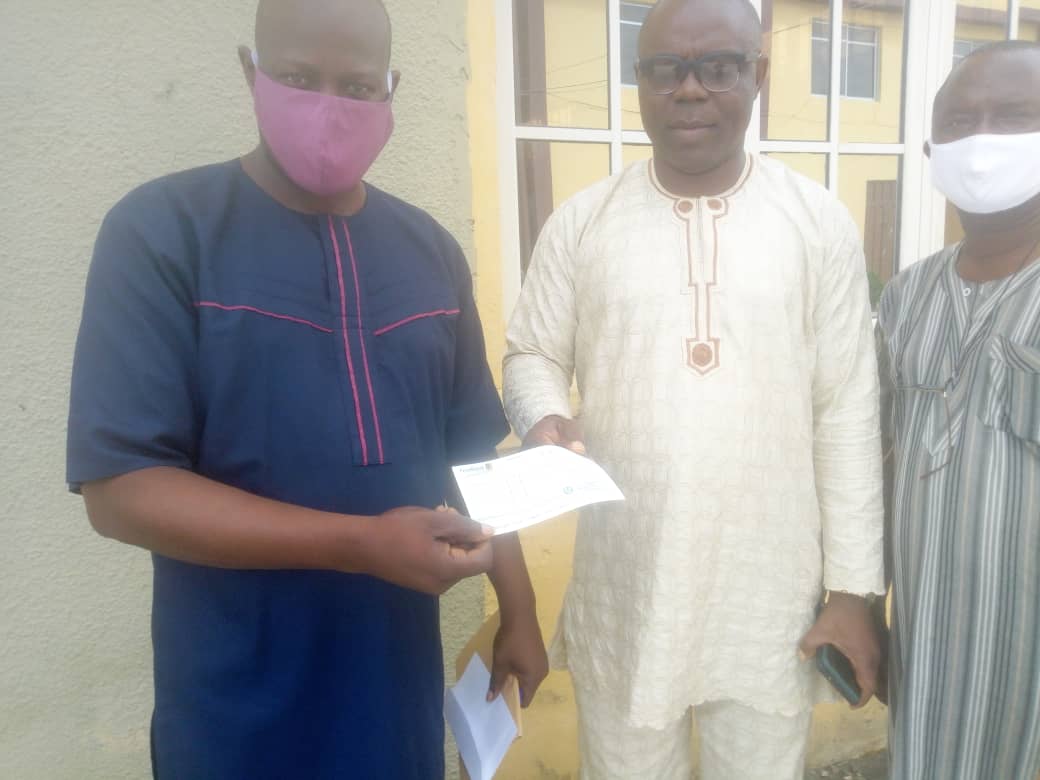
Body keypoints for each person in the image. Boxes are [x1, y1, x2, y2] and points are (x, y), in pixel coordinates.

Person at [66, 1, 547, 777]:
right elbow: (120, 490)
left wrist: (518, 609)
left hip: (392, 688)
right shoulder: (164, 232)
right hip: (232, 698)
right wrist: (360, 544)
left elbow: (473, 454)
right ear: (250, 72)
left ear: (392, 89)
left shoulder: (430, 251)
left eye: (357, 86)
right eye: (297, 77)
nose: (329, 107)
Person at [502, 0, 884, 777]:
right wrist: (543, 416)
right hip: (628, 584)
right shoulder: (584, 222)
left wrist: (851, 591)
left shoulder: (817, 224)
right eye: (665, 69)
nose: (689, 89)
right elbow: (532, 351)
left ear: (758, 75)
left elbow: (846, 409)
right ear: (639, 80)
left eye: (718, 67)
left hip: (769, 596)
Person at [877, 40, 1040, 780]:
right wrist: (861, 598)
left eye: (1014, 117)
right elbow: (880, 458)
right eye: (960, 122)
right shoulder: (906, 295)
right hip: (927, 654)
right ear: (931, 152)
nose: (982, 142)